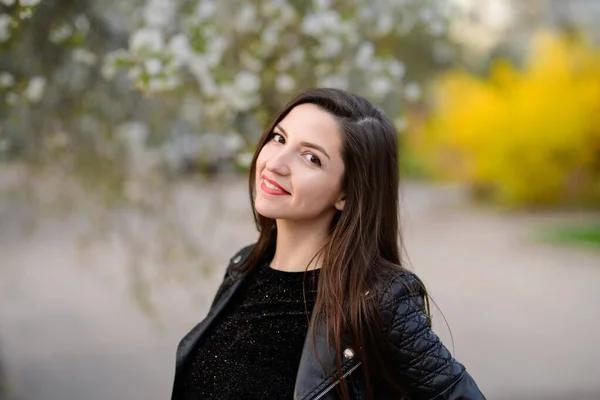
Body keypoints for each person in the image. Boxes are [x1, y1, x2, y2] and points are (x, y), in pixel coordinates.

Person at [170, 88, 485, 399]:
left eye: (311, 158)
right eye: (279, 138)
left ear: (346, 194)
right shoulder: (244, 266)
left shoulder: (377, 302)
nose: (276, 163)